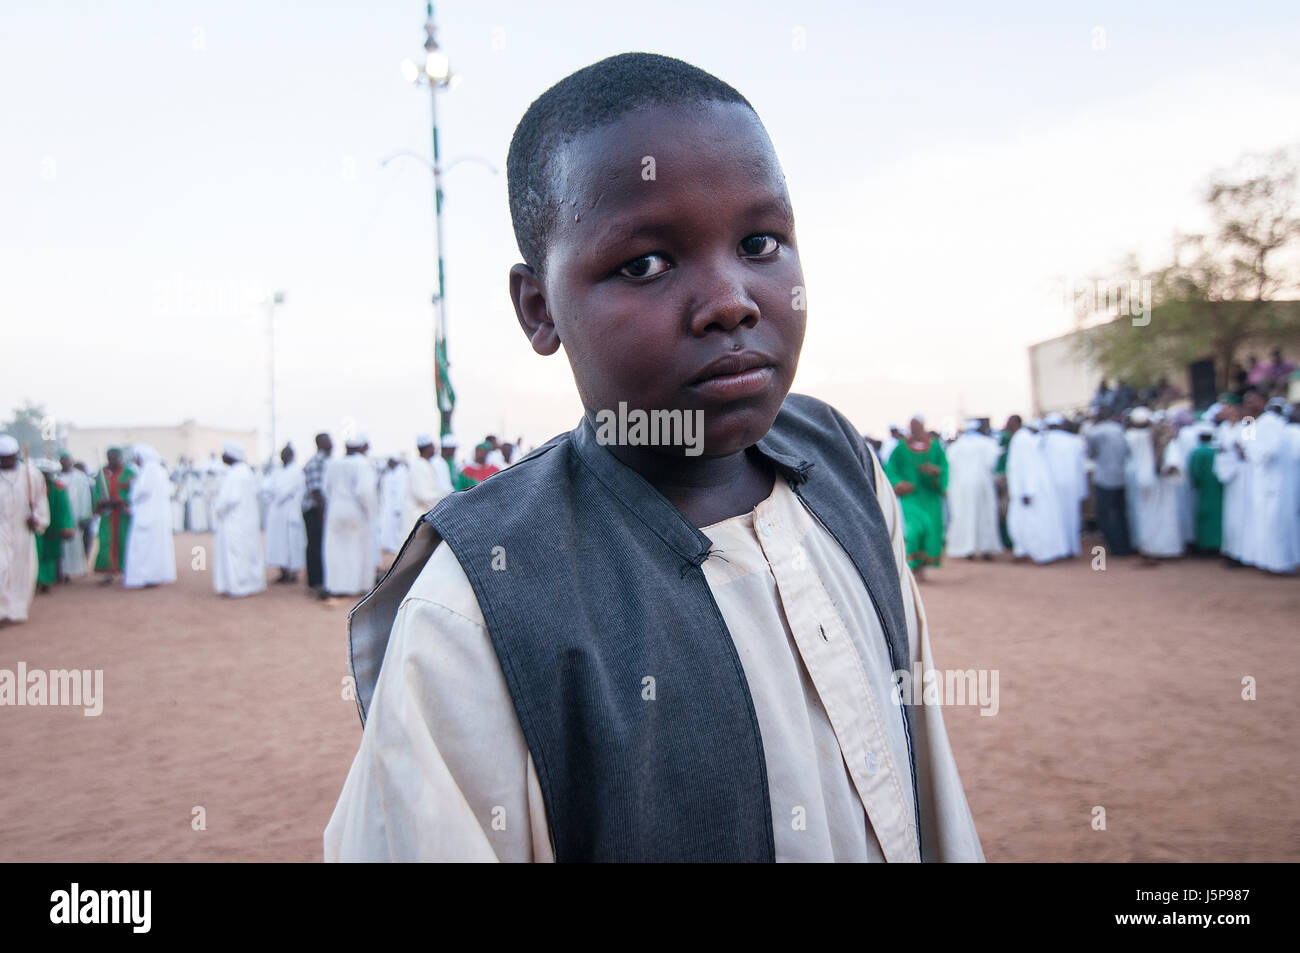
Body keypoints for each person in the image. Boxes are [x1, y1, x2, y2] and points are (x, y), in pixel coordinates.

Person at [327, 53, 983, 863]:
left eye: (761, 241)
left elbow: (928, 781)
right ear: (541, 310)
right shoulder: (478, 610)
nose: (731, 300)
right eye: (645, 264)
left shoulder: (842, 467)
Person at [1237, 390, 1296, 573]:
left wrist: (1248, 451)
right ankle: (1267, 562)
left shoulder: (1270, 423)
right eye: (1246, 402)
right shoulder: (1255, 423)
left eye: (1253, 401)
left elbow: (1269, 451)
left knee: (1275, 523)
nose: (1249, 405)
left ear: (1263, 402)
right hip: (1260, 482)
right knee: (1263, 524)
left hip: (1274, 483)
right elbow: (1244, 444)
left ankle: (1280, 564)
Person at [885, 415, 948, 577]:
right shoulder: (900, 448)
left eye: (917, 426)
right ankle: (911, 565)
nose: (914, 430)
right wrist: (899, 483)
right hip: (911, 497)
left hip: (930, 497)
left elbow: (944, 468)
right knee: (915, 529)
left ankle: (921, 566)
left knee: (930, 529)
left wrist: (936, 472)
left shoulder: (935, 448)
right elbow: (890, 470)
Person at [1005, 418, 1069, 563]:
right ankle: (1025, 550)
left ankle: (1040, 553)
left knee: (1032, 522)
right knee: (1025, 521)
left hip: (1029, 490)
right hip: (1028, 488)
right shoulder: (1023, 438)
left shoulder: (1021, 439)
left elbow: (1027, 466)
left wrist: (1028, 491)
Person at [0, 435, 50, 623]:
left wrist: (36, 519)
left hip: (22, 529)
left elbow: (40, 501)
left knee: (22, 571)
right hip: (1, 530)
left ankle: (16, 611)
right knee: (2, 567)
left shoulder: (31, 474)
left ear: (16, 455)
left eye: (8, 457)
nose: (4, 461)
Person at [323, 435, 379, 597]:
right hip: (355, 510)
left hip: (335, 509)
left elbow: (326, 488)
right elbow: (365, 492)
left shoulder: (333, 464)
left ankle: (337, 586)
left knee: (337, 550)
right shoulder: (362, 464)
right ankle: (354, 586)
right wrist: (370, 512)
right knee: (355, 549)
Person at [1125, 408, 1183, 561]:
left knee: (1148, 515)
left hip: (1146, 480)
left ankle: (1151, 547)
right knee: (1163, 514)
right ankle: (1164, 548)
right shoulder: (1162, 436)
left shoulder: (1130, 436)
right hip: (1159, 480)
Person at [212, 442, 266, 597]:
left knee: (235, 555)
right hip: (246, 521)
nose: (223, 456)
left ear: (231, 456)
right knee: (247, 553)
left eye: (225, 453)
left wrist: (217, 509)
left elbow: (226, 501)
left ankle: (238, 586)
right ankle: (250, 584)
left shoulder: (235, 474)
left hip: (234, 521)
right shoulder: (246, 471)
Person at [944, 419, 1002, 560]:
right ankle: (985, 549)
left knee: (964, 515)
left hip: (960, 486)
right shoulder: (988, 444)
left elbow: (949, 466)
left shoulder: (955, 446)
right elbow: (992, 463)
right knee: (985, 515)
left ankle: (967, 549)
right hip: (982, 484)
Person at [123, 445, 177, 588]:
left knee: (143, 547)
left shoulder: (149, 470)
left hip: (146, 514)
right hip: (158, 516)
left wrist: (132, 488)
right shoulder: (160, 470)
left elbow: (142, 491)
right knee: (155, 547)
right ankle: (154, 575)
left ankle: (144, 576)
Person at [1039, 413, 1088, 556]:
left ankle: (1057, 548)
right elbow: (1081, 467)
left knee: (1053, 516)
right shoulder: (1074, 440)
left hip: (1051, 484)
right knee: (1072, 516)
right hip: (1072, 484)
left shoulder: (1043, 440)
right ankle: (1071, 547)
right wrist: (1082, 489)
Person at [1085, 410, 1133, 556]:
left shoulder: (1094, 432)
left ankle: (1114, 547)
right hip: (1120, 477)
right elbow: (1127, 451)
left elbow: (1090, 454)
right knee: (1121, 513)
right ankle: (1125, 546)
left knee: (1104, 514)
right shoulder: (1119, 429)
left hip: (1104, 478)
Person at [91, 447, 135, 582]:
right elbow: (97, 492)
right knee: (106, 541)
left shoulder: (129, 473)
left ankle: (125, 570)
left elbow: (134, 493)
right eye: (109, 458)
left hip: (123, 515)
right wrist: (102, 502)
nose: (112, 461)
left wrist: (122, 500)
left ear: (120, 458)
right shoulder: (102, 474)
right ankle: (107, 571)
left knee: (124, 541)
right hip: (108, 515)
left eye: (115, 458)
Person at [265, 443, 307, 583]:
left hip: (290, 513)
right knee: (278, 544)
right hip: (276, 514)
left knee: (291, 543)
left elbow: (287, 492)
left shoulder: (296, 472)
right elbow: (267, 487)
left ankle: (292, 573)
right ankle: (283, 571)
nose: (284, 456)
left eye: (287, 453)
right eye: (283, 453)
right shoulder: (276, 471)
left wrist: (277, 495)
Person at [403, 434, 454, 538]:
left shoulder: (426, 464)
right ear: (427, 448)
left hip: (424, 514)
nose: (434, 448)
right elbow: (423, 495)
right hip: (416, 516)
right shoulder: (418, 466)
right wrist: (443, 500)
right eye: (432, 446)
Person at [301, 433, 332, 594]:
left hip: (322, 509)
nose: (331, 443)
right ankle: (315, 582)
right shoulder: (314, 463)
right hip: (314, 509)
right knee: (315, 543)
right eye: (328, 440)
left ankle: (323, 578)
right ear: (320, 443)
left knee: (321, 544)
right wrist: (322, 515)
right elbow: (316, 492)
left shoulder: (328, 461)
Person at [36, 461, 74, 591]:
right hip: (36, 527)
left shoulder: (58, 487)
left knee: (50, 555)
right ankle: (37, 579)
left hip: (53, 527)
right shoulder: (31, 487)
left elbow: (64, 509)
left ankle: (47, 580)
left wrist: (65, 527)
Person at [1186, 424, 1222, 553]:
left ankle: (1205, 545)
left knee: (1204, 517)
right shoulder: (1216, 451)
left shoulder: (1197, 452)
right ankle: (1216, 544)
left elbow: (1194, 472)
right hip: (1217, 490)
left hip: (1203, 490)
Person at [58, 452, 92, 578]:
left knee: (76, 542)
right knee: (63, 545)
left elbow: (85, 497)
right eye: (62, 460)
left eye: (67, 460)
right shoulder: (57, 477)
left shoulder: (80, 477)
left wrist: (85, 516)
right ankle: (63, 570)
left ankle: (76, 569)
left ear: (71, 461)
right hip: (62, 516)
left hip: (76, 515)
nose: (64, 462)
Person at [378, 457, 408, 555]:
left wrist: (398, 507)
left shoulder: (401, 473)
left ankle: (398, 549)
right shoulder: (390, 473)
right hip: (389, 506)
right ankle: (390, 547)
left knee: (398, 529)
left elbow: (401, 491)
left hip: (397, 506)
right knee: (389, 527)